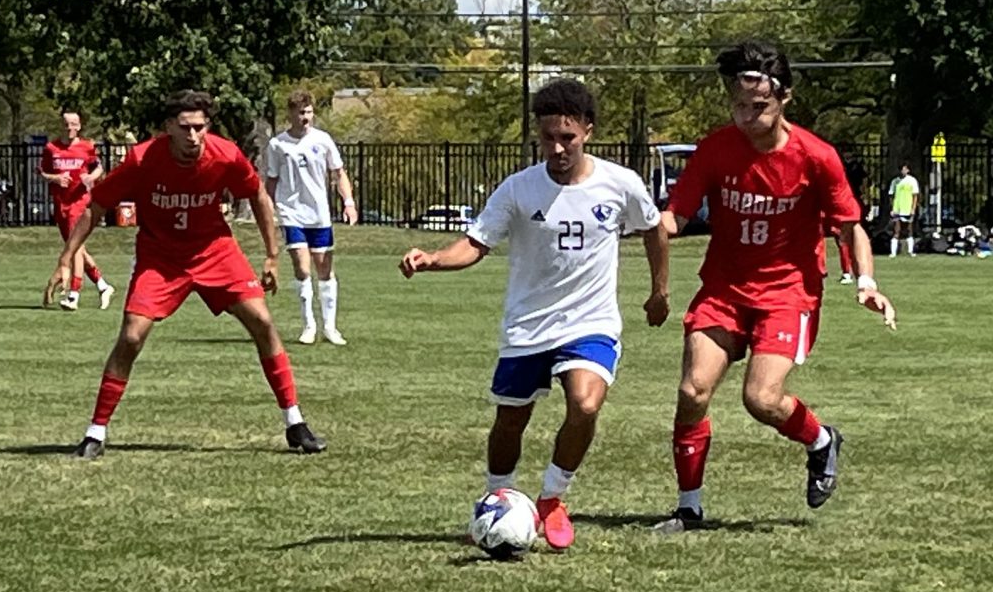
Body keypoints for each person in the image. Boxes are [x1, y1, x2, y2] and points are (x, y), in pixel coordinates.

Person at [399, 78, 671, 550]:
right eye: (548, 138)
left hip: (591, 323)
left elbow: (654, 229)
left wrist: (659, 291)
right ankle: (495, 498)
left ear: (588, 129)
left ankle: (552, 496)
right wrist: (433, 259)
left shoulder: (620, 183)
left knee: (585, 404)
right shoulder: (519, 189)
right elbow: (476, 243)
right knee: (510, 420)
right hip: (528, 325)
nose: (558, 147)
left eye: (567, 137)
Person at [654, 41, 897, 533]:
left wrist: (866, 282)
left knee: (761, 399)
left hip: (789, 294)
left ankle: (822, 441)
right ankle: (688, 508)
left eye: (758, 106)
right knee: (692, 390)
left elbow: (850, 225)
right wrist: (649, 231)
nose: (746, 116)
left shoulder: (816, 157)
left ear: (785, 98)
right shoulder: (716, 149)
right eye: (738, 106)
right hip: (723, 290)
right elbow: (674, 217)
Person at [44, 90, 327, 458]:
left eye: (200, 127)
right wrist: (67, 258)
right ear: (168, 129)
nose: (194, 136)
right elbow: (96, 207)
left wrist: (272, 255)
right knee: (130, 337)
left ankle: (295, 423)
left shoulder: (224, 154)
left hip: (215, 251)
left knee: (262, 321)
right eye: (185, 128)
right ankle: (95, 432)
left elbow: (258, 194)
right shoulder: (142, 158)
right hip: (161, 258)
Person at [264, 90, 358, 346]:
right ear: (291, 114)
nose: (305, 117)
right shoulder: (278, 144)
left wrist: (348, 203)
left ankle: (330, 326)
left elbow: (339, 174)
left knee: (324, 268)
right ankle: (309, 325)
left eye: (308, 112)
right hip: (291, 212)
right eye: (300, 112)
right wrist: (269, 209)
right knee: (302, 267)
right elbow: (271, 180)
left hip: (319, 214)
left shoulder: (323, 140)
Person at [38, 111, 114, 311]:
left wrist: (91, 178)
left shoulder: (87, 147)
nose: (70, 127)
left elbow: (98, 167)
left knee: (76, 248)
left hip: (79, 203)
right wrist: (55, 178)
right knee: (75, 247)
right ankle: (103, 285)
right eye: (66, 124)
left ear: (79, 126)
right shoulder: (51, 148)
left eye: (74, 124)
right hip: (60, 203)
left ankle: (74, 294)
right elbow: (43, 172)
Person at [831, 145, 870, 284]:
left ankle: (855, 271)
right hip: (844, 200)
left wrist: (864, 196)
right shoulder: (840, 166)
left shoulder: (856, 168)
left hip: (853, 200)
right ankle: (848, 270)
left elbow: (865, 182)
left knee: (853, 236)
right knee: (842, 239)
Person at [888, 162, 920, 257]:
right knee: (896, 230)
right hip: (897, 209)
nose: (903, 171)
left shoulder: (912, 181)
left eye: (905, 169)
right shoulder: (895, 181)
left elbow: (915, 196)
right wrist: (892, 208)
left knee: (909, 230)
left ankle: (910, 251)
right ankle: (893, 252)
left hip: (907, 209)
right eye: (901, 169)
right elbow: (891, 195)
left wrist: (913, 208)